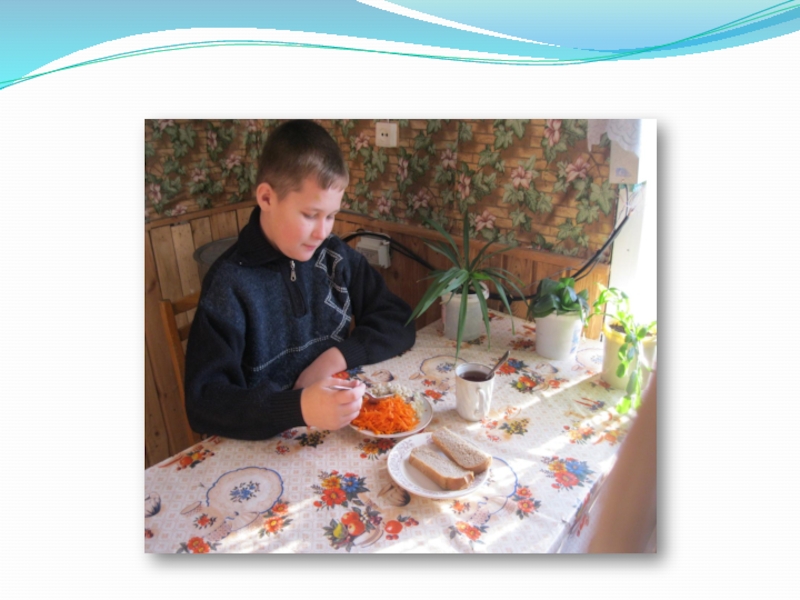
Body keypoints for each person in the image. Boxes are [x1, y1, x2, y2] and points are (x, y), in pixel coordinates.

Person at [184, 120, 416, 440]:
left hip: (333, 433)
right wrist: (299, 407)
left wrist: (333, 359)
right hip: (262, 445)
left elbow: (399, 320)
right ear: (267, 198)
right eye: (310, 215)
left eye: (331, 216)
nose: (322, 232)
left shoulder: (333, 255)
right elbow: (205, 404)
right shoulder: (229, 284)